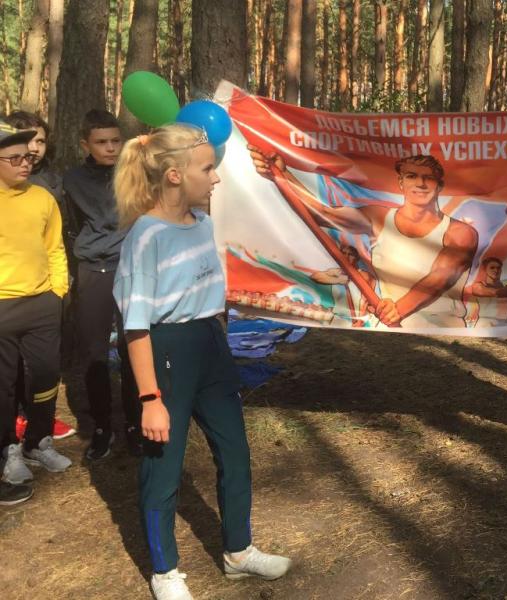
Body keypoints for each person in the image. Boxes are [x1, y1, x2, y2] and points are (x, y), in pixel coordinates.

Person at [113, 124, 291, 600]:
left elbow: (215, 292)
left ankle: (239, 551)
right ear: (174, 175)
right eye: (208, 168)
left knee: (235, 452)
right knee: (163, 467)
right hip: (166, 353)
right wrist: (150, 398)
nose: (215, 178)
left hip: (212, 346)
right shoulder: (145, 237)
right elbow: (135, 326)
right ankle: (165, 572)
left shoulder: (204, 225)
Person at [250, 149, 478, 328]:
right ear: (401, 183)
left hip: (442, 330)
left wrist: (399, 310)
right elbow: (323, 215)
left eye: (428, 178)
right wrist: (282, 175)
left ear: (440, 186)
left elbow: (441, 277)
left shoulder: (461, 232)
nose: (420, 183)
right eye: (412, 176)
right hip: (390, 330)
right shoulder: (379, 217)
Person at [0, 120, 71, 498]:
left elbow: (54, 248)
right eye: (15, 159)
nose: (25, 164)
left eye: (27, 157)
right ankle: (8, 449)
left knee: (45, 377)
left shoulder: (42, 198)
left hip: (43, 303)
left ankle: (38, 442)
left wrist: (57, 292)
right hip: (2, 306)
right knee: (4, 385)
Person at [63, 109, 140, 459]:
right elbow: (73, 223)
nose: (110, 148)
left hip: (131, 268)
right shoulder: (72, 180)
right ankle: (101, 427)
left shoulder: (133, 174)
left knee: (132, 346)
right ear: (86, 145)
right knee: (94, 353)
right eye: (101, 142)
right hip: (94, 270)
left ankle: (135, 424)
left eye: (115, 141)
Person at [310, 243, 376, 327]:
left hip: (356, 321)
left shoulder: (364, 275)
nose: (346, 256)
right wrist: (338, 280)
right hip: (336, 319)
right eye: (343, 253)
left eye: (351, 254)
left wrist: (359, 321)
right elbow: (315, 276)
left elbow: (365, 301)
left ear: (357, 258)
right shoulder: (337, 272)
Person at [470, 257, 507, 328]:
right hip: (486, 325)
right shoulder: (478, 286)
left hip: (506, 325)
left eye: (499, 268)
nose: (496, 270)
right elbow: (495, 292)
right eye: (492, 267)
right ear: (485, 270)